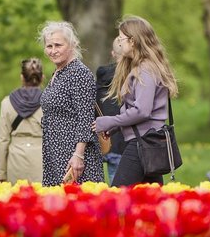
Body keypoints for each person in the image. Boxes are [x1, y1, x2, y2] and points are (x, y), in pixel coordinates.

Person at [93, 16, 178, 187]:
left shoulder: (145, 70)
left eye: (122, 39)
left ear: (133, 41)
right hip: (146, 143)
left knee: (117, 198)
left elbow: (142, 111)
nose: (119, 44)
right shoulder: (143, 68)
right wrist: (115, 127)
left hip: (141, 145)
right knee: (150, 199)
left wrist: (110, 120)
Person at [39, 21, 102, 186]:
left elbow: (85, 117)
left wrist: (78, 155)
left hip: (73, 155)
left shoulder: (79, 73)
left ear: (72, 44)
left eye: (58, 45)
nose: (53, 51)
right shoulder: (58, 72)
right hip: (55, 151)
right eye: (49, 46)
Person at [0, 58, 43, 184]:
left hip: (16, 160)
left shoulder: (7, 102)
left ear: (22, 77)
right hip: (41, 158)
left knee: (17, 200)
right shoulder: (49, 102)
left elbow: (2, 140)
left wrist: (0, 174)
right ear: (42, 78)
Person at [96, 38, 125, 183]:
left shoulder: (100, 79)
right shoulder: (134, 77)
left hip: (103, 140)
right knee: (122, 189)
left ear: (113, 53)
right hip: (124, 143)